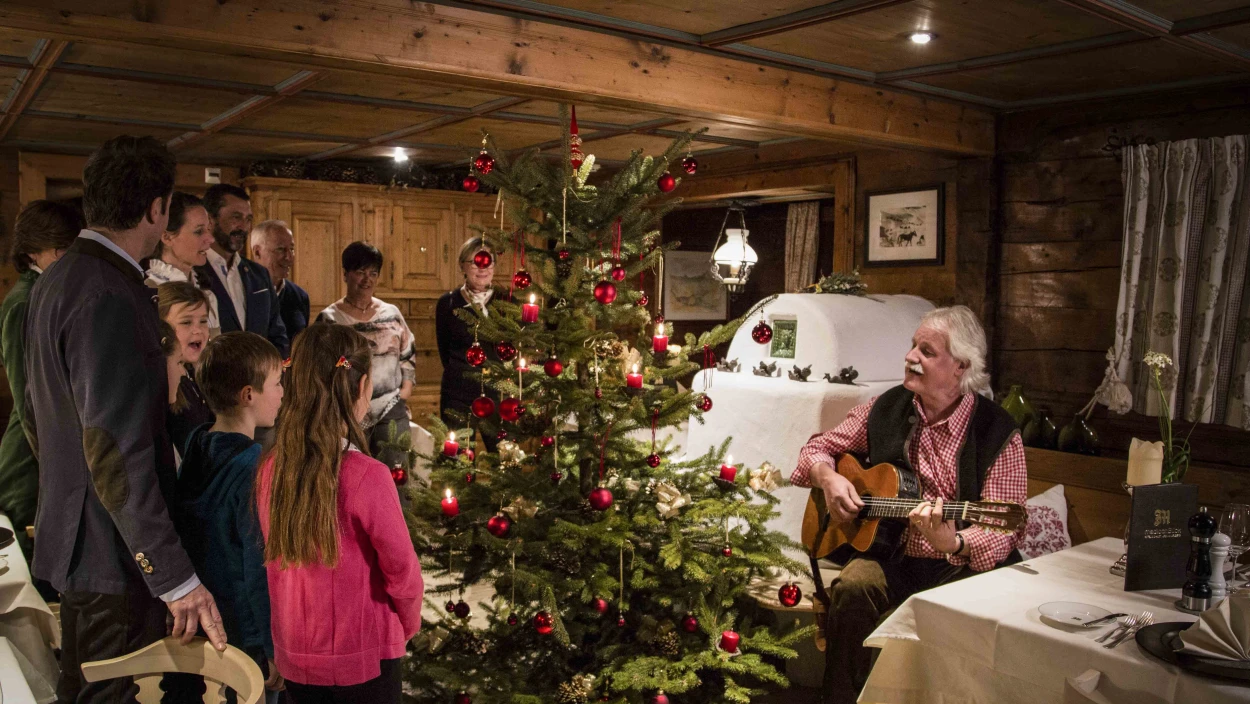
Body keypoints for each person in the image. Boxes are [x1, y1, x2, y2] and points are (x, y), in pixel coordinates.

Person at [24, 135, 226, 703]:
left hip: (83, 532)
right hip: (111, 551)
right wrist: (173, 575)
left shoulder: (60, 278)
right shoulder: (107, 291)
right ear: (155, 210)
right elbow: (114, 449)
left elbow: (41, 415)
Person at [790, 305, 1026, 704]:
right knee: (851, 588)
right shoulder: (888, 407)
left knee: (947, 618)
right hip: (892, 554)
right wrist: (828, 478)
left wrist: (954, 543)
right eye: (913, 346)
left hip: (960, 568)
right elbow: (816, 449)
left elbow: (1004, 530)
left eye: (927, 351)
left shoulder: (996, 432)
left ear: (960, 367)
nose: (910, 357)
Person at [257, 323, 422, 703]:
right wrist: (407, 624)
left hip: (297, 653)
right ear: (364, 386)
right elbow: (402, 571)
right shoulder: (368, 475)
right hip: (366, 655)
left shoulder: (269, 469)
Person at [175, 332, 285, 703]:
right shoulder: (254, 467)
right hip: (244, 627)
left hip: (204, 614)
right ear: (248, 395)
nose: (283, 393)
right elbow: (258, 564)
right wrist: (272, 646)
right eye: (277, 383)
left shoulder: (198, 441)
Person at [0, 200, 82, 558]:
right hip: (31, 464)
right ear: (34, 250)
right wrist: (56, 472)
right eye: (60, 250)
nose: (70, 259)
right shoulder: (24, 302)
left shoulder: (50, 291)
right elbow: (29, 399)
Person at [316, 242, 416, 472]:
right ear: (345, 274)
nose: (366, 280)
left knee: (397, 477)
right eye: (360, 272)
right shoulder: (330, 319)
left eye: (373, 273)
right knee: (354, 476)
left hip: (391, 408)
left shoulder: (391, 313)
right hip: (347, 412)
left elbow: (408, 353)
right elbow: (320, 365)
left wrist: (406, 390)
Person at [194, 184, 288, 356]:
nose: (244, 227)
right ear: (210, 220)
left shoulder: (259, 275)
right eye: (236, 217)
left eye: (248, 219)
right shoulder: (193, 271)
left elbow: (277, 336)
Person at [435, 237, 503, 441]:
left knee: (503, 457)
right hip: (457, 393)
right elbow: (444, 350)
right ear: (462, 266)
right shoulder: (447, 303)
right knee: (459, 459)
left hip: (498, 392)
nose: (482, 268)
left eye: (488, 262)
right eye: (475, 262)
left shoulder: (508, 302)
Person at [145, 192, 221, 337]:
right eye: (199, 231)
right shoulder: (149, 289)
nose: (210, 239)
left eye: (208, 230)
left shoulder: (207, 293)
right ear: (167, 237)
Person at [157, 282, 214, 459]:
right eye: (186, 322)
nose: (198, 330)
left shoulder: (196, 374)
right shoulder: (164, 382)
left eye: (203, 321)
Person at [250, 220, 309, 341]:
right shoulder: (242, 291)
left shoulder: (299, 296)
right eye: (281, 249)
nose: (289, 257)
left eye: (291, 249)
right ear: (257, 252)